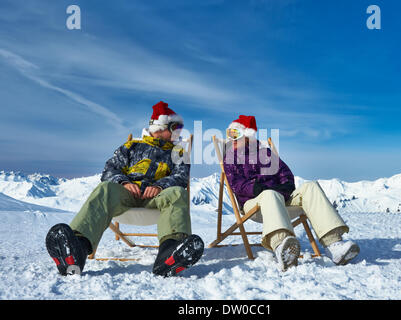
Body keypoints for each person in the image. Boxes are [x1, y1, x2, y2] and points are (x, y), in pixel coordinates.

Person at [45, 101, 204, 277]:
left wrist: (159, 186)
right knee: (105, 188)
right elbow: (109, 170)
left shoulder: (179, 152)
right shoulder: (131, 147)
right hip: (126, 195)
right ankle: (76, 250)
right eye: (176, 126)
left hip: (157, 199)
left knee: (177, 192)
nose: (180, 131)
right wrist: (123, 183)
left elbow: (180, 177)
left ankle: (171, 252)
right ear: (161, 127)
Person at [223, 115, 359, 271]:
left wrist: (286, 186)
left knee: (310, 187)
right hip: (254, 204)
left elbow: (285, 173)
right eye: (230, 134)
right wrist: (256, 188)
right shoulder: (231, 158)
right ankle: (282, 246)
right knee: (270, 194)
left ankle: (334, 245)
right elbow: (236, 185)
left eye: (235, 134)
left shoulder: (265, 153)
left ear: (247, 136)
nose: (232, 138)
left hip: (281, 199)